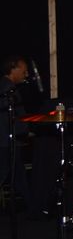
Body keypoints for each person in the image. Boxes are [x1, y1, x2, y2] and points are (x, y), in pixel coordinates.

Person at [0, 55, 32, 212]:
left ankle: (33, 209)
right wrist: (23, 130)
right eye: (24, 71)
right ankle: (34, 209)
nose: (26, 74)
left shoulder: (6, 87)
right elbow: (11, 117)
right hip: (5, 140)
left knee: (18, 175)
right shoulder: (7, 89)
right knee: (6, 171)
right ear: (13, 69)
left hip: (8, 139)